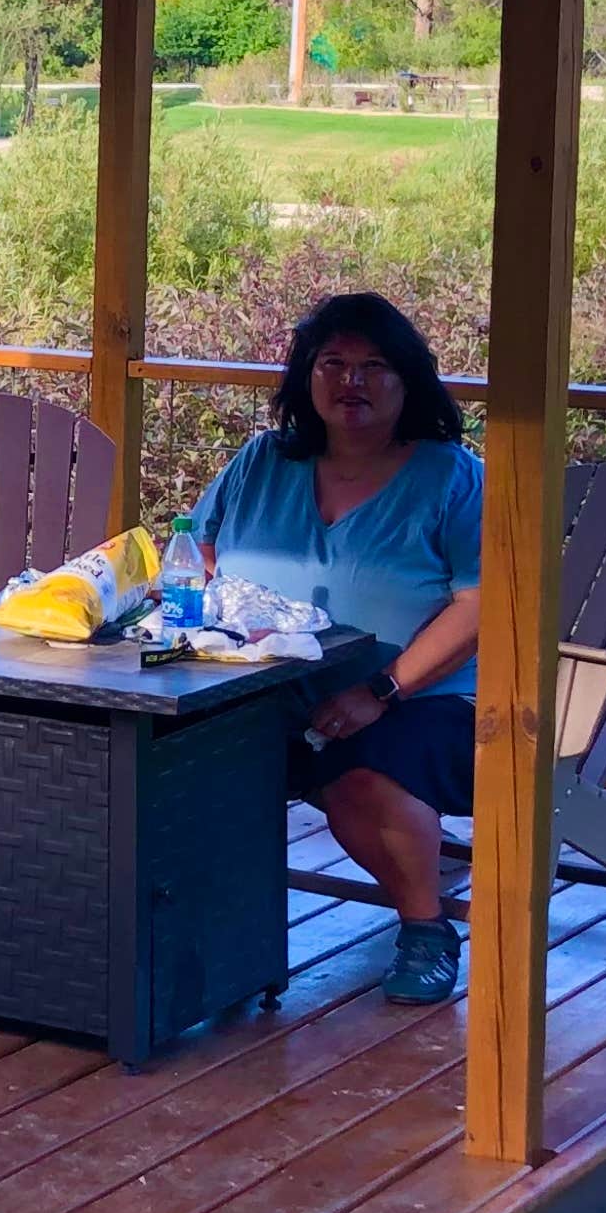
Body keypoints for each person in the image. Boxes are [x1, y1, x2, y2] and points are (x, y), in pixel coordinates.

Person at [187, 291, 483, 1004]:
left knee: (360, 774)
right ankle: (185, 939)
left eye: (375, 365)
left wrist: (381, 691)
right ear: (305, 376)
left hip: (423, 697)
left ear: (408, 380)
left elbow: (482, 606)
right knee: (157, 754)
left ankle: (426, 930)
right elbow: (194, 554)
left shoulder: (450, 475)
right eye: (333, 363)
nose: (352, 381)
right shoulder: (261, 460)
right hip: (260, 689)